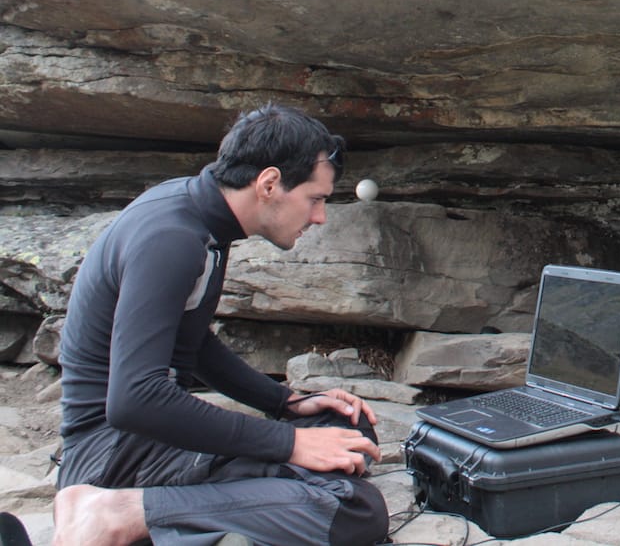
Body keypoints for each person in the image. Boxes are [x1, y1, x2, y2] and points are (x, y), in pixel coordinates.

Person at [52, 104, 389, 546]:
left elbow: (193, 342)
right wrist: (288, 444)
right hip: (111, 455)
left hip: (144, 439)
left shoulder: (201, 216)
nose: (319, 217)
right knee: (354, 509)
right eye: (315, 198)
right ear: (269, 184)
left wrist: (285, 401)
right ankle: (118, 513)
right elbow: (133, 401)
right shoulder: (172, 240)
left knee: (343, 429)